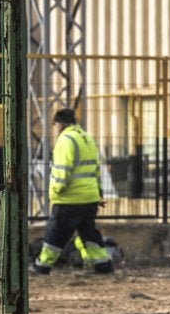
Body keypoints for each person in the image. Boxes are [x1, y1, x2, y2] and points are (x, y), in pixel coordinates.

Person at [32, 107, 114, 275]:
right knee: (88, 233)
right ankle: (103, 265)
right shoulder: (87, 138)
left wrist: (55, 191)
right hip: (90, 197)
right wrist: (98, 193)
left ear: (60, 124)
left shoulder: (65, 140)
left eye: (55, 125)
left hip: (70, 198)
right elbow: (96, 169)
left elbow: (62, 170)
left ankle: (42, 266)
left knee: (55, 233)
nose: (55, 129)